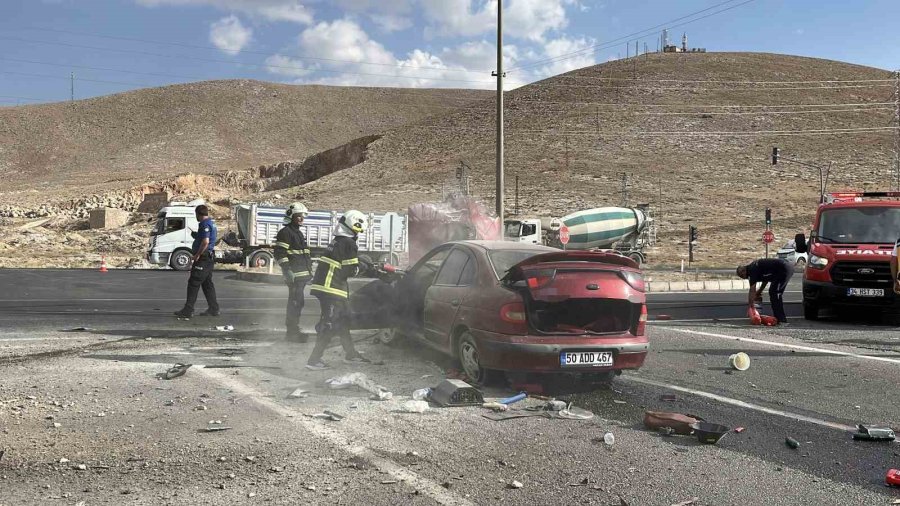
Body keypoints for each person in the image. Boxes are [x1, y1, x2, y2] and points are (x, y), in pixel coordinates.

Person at [306, 210, 370, 370]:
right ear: (354, 224)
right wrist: (363, 266)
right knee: (331, 323)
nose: (359, 232)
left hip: (328, 287)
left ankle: (351, 354)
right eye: (359, 229)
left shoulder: (337, 241)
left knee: (343, 320)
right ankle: (314, 360)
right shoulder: (349, 243)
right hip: (331, 289)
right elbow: (349, 271)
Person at [274, 202, 313, 342]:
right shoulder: (285, 233)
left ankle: (293, 330)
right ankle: (292, 333)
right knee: (295, 303)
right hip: (295, 277)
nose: (302, 219)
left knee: (298, 302)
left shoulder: (297, 232)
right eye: (299, 216)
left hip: (302, 277)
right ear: (291, 216)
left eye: (303, 216)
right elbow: (280, 253)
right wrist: (287, 270)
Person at [174, 204, 219, 318]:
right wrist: (196, 235)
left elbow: (205, 242)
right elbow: (205, 238)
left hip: (203, 258)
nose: (196, 217)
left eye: (196, 215)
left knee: (194, 282)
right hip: (209, 258)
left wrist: (197, 255)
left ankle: (188, 310)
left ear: (198, 214)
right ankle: (214, 309)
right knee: (207, 284)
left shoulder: (205, 224)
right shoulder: (211, 223)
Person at [736, 258, 793, 324]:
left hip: (784, 268)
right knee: (773, 292)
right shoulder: (755, 268)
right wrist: (759, 291)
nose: (744, 278)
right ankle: (779, 318)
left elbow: (752, 290)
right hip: (783, 268)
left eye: (742, 276)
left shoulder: (752, 270)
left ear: (744, 271)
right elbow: (765, 280)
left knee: (775, 293)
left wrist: (750, 305)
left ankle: (782, 320)